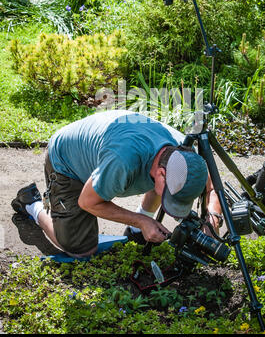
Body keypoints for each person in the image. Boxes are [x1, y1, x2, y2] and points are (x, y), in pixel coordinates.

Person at [12, 110, 223, 257]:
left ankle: (137, 233)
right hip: (67, 164)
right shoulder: (122, 162)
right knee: (80, 249)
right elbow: (88, 202)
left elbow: (213, 185)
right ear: (161, 173)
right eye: (172, 196)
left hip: (108, 145)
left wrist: (213, 219)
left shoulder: (184, 156)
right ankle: (32, 204)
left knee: (160, 188)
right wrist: (139, 220)